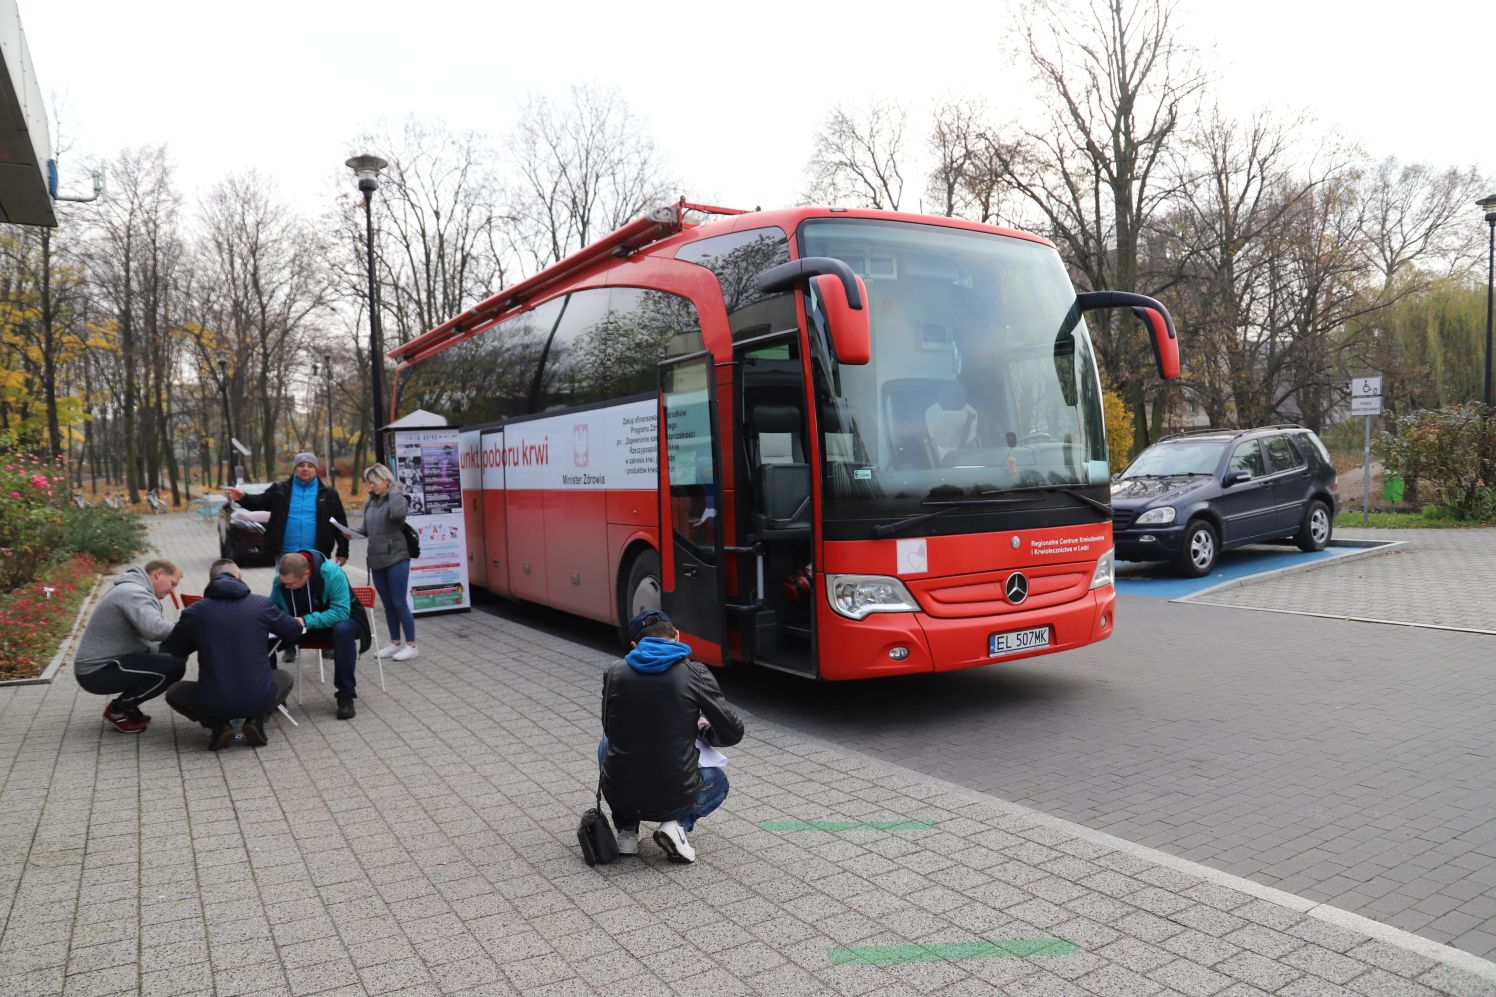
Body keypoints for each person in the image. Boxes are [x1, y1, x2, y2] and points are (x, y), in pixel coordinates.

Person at [598, 609, 744, 863]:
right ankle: (676, 825)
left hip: (622, 794)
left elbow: (609, 729)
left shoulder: (614, 672)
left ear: (634, 645)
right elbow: (732, 731)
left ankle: (626, 832)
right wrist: (701, 730)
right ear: (677, 636)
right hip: (675, 797)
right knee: (718, 781)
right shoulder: (694, 673)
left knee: (605, 745)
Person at [161, 559, 302, 750]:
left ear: (210, 581)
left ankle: (218, 726)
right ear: (240, 577)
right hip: (258, 697)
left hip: (213, 702)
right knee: (284, 677)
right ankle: (255, 720)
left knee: (174, 692)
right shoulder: (261, 605)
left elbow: (175, 650)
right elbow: (293, 631)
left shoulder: (195, 612)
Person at [228, 452, 348, 662]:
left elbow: (339, 523)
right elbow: (259, 502)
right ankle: (289, 642)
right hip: (286, 555)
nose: (305, 469)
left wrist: (343, 550)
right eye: (300, 465)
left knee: (322, 596)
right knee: (285, 598)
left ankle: (326, 641)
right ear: (294, 469)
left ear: (315, 469)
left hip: (316, 556)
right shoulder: (280, 490)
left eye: (309, 466)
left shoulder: (327, 493)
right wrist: (243, 498)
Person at [73, 559, 187, 734]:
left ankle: (129, 707)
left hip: (110, 662)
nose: (173, 590)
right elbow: (154, 629)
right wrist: (191, 629)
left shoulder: (133, 589)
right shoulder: (134, 593)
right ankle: (118, 710)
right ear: (158, 574)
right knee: (174, 666)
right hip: (96, 671)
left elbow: (155, 632)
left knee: (175, 654)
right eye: (172, 584)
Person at [270, 551, 365, 719]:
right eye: (283, 583)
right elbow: (272, 607)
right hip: (301, 623)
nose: (286, 587)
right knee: (261, 638)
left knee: (342, 631)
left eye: (290, 584)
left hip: (340, 621)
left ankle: (346, 695)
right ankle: (271, 695)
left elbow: (341, 612)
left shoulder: (332, 573)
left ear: (306, 574)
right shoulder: (281, 580)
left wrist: (305, 620)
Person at [361, 464, 417, 661]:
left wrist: (393, 490)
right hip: (377, 559)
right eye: (369, 482)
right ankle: (394, 643)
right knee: (387, 604)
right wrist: (348, 533)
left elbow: (397, 516)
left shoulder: (398, 498)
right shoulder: (370, 502)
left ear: (385, 480)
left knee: (399, 602)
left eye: (374, 482)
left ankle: (411, 645)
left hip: (396, 557)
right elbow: (365, 529)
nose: (371, 486)